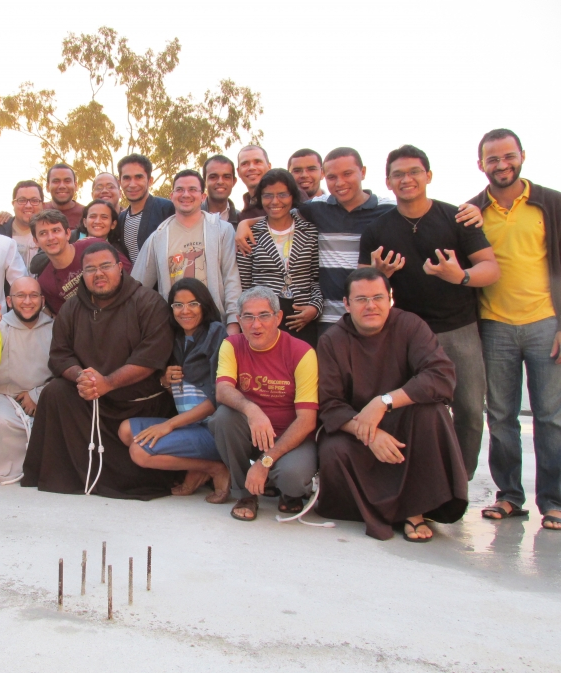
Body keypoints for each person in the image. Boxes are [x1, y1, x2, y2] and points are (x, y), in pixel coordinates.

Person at [358, 145, 499, 479]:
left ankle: (459, 481)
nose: (406, 179)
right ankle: (416, 481)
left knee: (469, 411)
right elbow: (362, 283)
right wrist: (381, 276)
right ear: (388, 182)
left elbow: (491, 268)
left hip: (459, 328)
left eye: (414, 172)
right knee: (408, 409)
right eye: (398, 174)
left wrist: (460, 276)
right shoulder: (377, 229)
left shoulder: (457, 218)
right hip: (406, 331)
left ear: (428, 176)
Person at [235, 147, 482, 333]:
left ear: (362, 172)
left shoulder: (387, 209)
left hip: (369, 315)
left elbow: (419, 209)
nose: (340, 183)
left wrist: (475, 208)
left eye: (347, 174)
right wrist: (246, 224)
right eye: (332, 177)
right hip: (326, 319)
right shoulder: (316, 209)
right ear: (325, 177)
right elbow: (279, 214)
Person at [316, 268, 468, 541]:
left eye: (378, 297)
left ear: (390, 299)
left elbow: (440, 375)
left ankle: (416, 510)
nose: (371, 306)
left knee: (432, 412)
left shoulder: (410, 326)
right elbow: (330, 405)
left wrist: (384, 401)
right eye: (361, 299)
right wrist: (370, 433)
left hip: (404, 420)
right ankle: (383, 511)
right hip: (358, 429)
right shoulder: (332, 340)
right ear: (347, 304)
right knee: (332, 449)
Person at [22, 242, 178, 499]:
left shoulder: (148, 302)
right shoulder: (72, 307)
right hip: (91, 398)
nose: (98, 274)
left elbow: (151, 356)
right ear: (82, 275)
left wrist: (109, 382)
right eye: (90, 269)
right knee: (56, 391)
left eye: (105, 266)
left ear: (120, 268)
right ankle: (68, 476)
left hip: (135, 403)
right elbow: (60, 355)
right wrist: (82, 377)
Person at [469, 129, 561, 531]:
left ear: (522, 155)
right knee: (501, 416)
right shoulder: (472, 211)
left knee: (551, 417)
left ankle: (554, 501)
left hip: (546, 323)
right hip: (495, 326)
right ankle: (509, 496)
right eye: (493, 159)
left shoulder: (551, 204)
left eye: (508, 156)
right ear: (481, 165)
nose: (502, 165)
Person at [209, 286, 319, 522]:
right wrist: (252, 410)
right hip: (252, 433)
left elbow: (307, 420)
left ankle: (280, 485)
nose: (256, 325)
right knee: (223, 418)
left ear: (278, 318)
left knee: (292, 480)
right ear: (239, 320)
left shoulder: (302, 352)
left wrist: (264, 462)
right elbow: (223, 390)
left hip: (292, 438)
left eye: (264, 316)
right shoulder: (232, 345)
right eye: (248, 317)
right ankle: (245, 494)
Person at [119, 278, 230, 503]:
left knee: (139, 452)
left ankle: (215, 468)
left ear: (204, 305)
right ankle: (201, 467)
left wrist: (168, 425)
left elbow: (216, 399)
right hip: (188, 426)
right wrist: (166, 382)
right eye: (178, 305)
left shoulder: (216, 334)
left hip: (211, 429)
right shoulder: (176, 337)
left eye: (193, 304)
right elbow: (183, 395)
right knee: (125, 430)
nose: (185, 311)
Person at [131, 169, 242, 332]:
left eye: (192, 189)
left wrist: (233, 323)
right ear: (172, 196)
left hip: (215, 325)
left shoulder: (222, 230)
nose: (186, 194)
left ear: (203, 196)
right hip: (175, 328)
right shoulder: (159, 237)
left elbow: (231, 278)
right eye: (180, 190)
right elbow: (138, 286)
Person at [236, 169, 322, 347]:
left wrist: (315, 307)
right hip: (263, 321)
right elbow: (244, 284)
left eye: (282, 194)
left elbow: (318, 278)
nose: (275, 201)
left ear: (292, 196)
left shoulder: (310, 231)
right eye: (268, 195)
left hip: (302, 319)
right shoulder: (250, 234)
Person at [0, 277, 53, 484]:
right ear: (9, 301)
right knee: (2, 421)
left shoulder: (55, 328)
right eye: (21, 296)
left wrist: (37, 395)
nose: (27, 301)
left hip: (43, 396)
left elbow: (63, 370)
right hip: (4, 396)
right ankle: (5, 471)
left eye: (33, 296)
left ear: (42, 300)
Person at [30, 209, 131, 316]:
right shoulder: (46, 282)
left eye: (56, 230)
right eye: (43, 233)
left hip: (125, 311)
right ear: (36, 241)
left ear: (68, 234)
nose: (50, 238)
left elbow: (131, 275)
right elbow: (67, 317)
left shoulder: (95, 246)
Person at [117, 154, 175, 263]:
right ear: (120, 182)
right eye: (127, 178)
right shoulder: (121, 219)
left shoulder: (166, 209)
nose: (132, 184)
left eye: (138, 177)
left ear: (150, 180)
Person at [0, 180, 43, 270]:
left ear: (42, 204)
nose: (28, 205)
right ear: (13, 204)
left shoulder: (52, 235)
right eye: (22, 200)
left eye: (34, 200)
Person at [200, 155, 241, 228]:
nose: (220, 182)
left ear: (234, 182)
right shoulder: (191, 217)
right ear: (204, 182)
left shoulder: (242, 220)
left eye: (226, 177)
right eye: (213, 177)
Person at [236, 145, 272, 221]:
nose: (251, 168)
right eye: (245, 164)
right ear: (238, 172)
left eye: (257, 162)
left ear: (269, 167)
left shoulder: (288, 203)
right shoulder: (240, 218)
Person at [43, 163, 84, 230]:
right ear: (47, 187)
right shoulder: (39, 212)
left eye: (67, 181)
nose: (62, 186)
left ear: (76, 186)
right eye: (56, 181)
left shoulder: (86, 214)